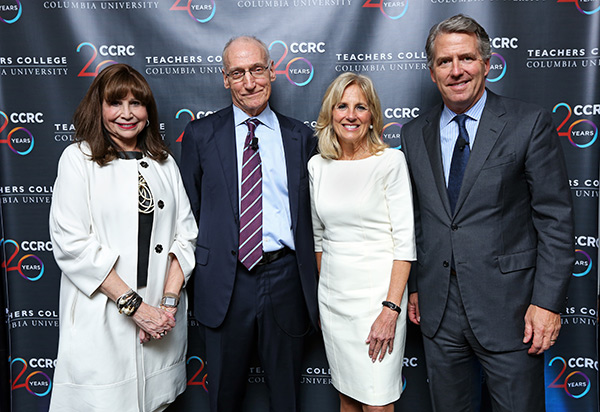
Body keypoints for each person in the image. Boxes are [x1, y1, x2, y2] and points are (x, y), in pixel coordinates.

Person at [400, 14, 574, 412]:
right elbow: (417, 219)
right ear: (432, 72)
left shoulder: (528, 123)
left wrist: (547, 304)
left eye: (466, 59)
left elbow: (556, 221)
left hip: (512, 310)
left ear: (486, 63)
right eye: (444, 62)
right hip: (438, 309)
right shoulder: (414, 134)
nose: (456, 70)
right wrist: (414, 287)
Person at [179, 36, 319, 412]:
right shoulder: (200, 135)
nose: (249, 82)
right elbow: (188, 212)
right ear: (225, 79)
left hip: (285, 278)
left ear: (272, 72)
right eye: (237, 73)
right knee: (223, 396)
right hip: (225, 281)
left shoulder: (302, 137)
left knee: (286, 395)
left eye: (257, 69)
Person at [48, 63, 198, 412]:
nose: (127, 114)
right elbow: (72, 245)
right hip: (103, 318)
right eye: (116, 103)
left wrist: (165, 307)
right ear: (98, 108)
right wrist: (135, 307)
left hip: (160, 324)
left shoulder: (164, 163)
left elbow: (186, 236)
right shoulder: (78, 160)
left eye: (137, 103)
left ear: (148, 111)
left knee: (155, 402)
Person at [309, 72, 416, 412]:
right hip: (334, 302)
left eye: (360, 107)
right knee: (347, 397)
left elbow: (405, 243)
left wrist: (390, 309)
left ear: (372, 116)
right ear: (331, 113)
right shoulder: (318, 166)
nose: (350, 115)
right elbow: (319, 239)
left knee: (377, 402)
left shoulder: (390, 162)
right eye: (342, 106)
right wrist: (327, 294)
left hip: (378, 302)